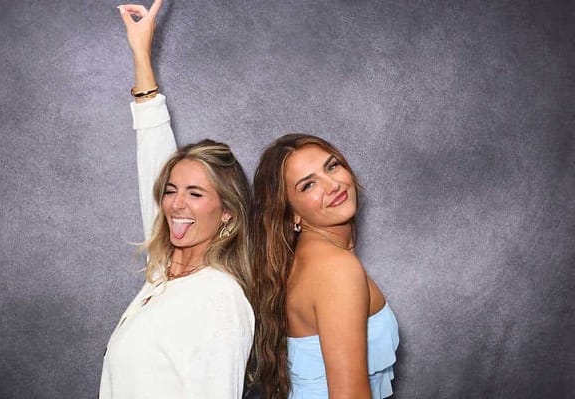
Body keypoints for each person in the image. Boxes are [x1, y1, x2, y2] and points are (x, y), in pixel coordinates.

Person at [99, 1, 254, 397]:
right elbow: (154, 158)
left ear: (228, 216)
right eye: (171, 191)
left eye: (196, 193)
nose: (176, 204)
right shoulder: (163, 275)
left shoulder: (219, 299)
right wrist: (141, 58)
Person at [250, 134, 400, 399]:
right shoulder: (336, 270)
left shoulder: (305, 260)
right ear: (291, 212)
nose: (333, 185)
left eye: (332, 166)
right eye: (308, 185)